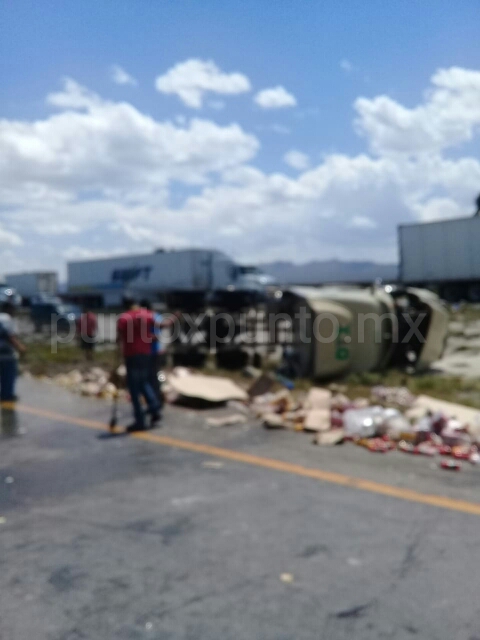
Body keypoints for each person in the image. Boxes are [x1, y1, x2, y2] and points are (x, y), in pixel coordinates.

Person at [116, 296, 160, 432]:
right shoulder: (146, 314)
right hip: (146, 354)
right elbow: (157, 328)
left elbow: (120, 337)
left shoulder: (123, 318)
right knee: (144, 382)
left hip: (132, 356)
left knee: (134, 389)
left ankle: (140, 421)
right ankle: (154, 408)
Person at [140, 300, 170, 412]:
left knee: (150, 377)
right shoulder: (156, 316)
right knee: (157, 374)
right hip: (157, 351)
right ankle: (159, 396)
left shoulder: (147, 317)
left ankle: (156, 400)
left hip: (149, 352)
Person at [0, 301, 26, 402]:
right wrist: (20, 347)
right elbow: (10, 336)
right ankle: (7, 395)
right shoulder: (8, 319)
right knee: (8, 374)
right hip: (6, 353)